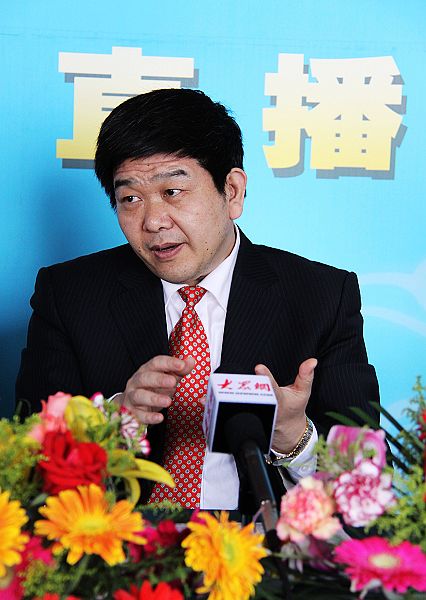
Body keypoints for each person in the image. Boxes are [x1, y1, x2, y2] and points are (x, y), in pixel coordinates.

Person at [16, 88, 380, 511]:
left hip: (261, 543)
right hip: (119, 541)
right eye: (130, 198)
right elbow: (25, 463)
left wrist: (293, 436)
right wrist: (113, 421)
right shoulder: (69, 294)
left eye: (173, 191)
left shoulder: (320, 296)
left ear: (232, 191)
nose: (153, 221)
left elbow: (366, 484)